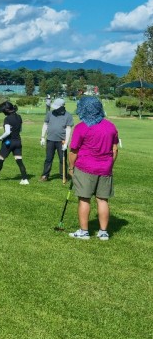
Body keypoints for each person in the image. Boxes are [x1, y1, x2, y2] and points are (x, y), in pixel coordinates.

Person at [68, 96, 119, 240]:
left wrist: (71, 168)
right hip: (105, 168)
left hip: (85, 167)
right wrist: (109, 164)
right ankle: (103, 232)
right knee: (103, 200)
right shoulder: (110, 126)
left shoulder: (81, 127)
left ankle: (84, 232)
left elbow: (74, 151)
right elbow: (115, 149)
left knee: (84, 199)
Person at [0, 101, 30, 184]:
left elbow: (7, 132)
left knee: (0, 159)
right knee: (19, 160)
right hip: (18, 141)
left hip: (9, 142)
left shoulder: (7, 119)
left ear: (6, 110)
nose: (3, 113)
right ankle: (24, 179)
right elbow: (20, 130)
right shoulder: (19, 117)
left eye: (3, 111)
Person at [39, 97, 74, 182]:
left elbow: (68, 129)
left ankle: (63, 176)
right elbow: (45, 124)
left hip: (61, 141)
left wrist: (66, 143)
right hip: (50, 139)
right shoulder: (50, 113)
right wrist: (42, 137)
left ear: (62, 106)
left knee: (62, 159)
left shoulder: (68, 116)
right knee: (48, 158)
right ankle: (45, 175)